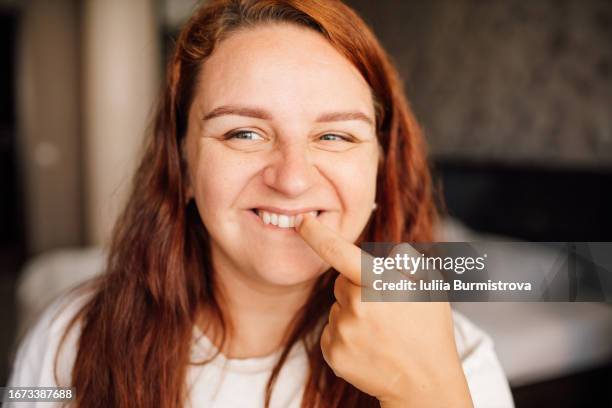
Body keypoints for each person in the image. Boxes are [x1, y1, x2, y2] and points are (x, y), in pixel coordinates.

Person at [7, 0, 514, 407]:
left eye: (335, 136)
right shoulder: (66, 342)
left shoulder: (462, 363)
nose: (291, 180)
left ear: (379, 171)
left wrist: (425, 395)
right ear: (182, 166)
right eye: (244, 132)